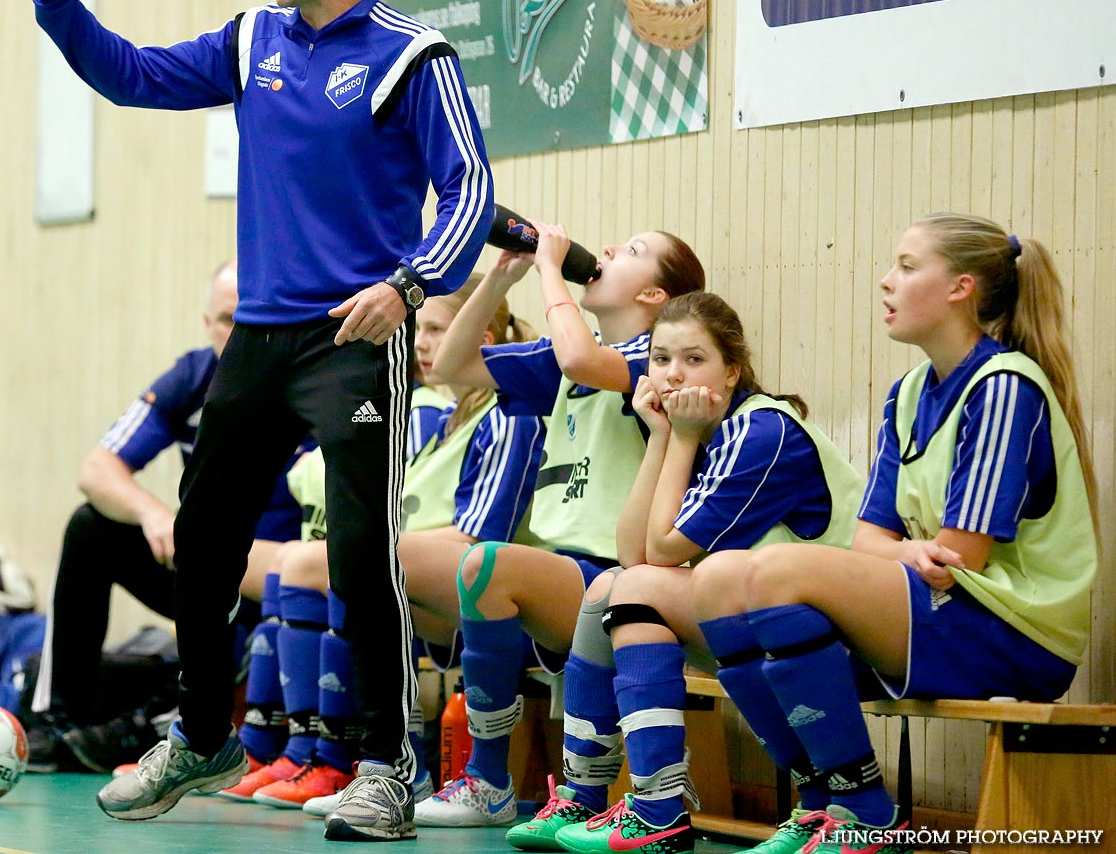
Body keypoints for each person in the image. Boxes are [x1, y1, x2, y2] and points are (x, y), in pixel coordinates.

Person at [19, 0, 493, 835]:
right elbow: (134, 74)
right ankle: (201, 733)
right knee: (200, 537)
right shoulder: (250, 41)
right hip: (260, 342)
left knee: (362, 552)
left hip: (355, 340)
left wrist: (405, 288)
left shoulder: (415, 56)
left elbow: (472, 192)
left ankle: (383, 766)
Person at [689, 214, 1098, 854]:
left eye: (907, 267)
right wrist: (906, 550)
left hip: (1018, 630)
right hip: (946, 606)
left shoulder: (1004, 387)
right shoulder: (908, 392)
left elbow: (960, 558)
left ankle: (864, 809)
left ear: (960, 288)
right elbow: (869, 541)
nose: (887, 281)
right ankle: (822, 798)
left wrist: (903, 553)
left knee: (774, 573)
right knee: (714, 582)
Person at [530, 292, 860, 854]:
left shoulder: (757, 432)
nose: (673, 374)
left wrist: (677, 437)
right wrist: (662, 435)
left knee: (631, 587)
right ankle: (587, 794)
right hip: (760, 617)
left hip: (839, 631)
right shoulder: (707, 432)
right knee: (610, 584)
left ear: (732, 372)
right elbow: (632, 552)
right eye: (659, 359)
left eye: (693, 359)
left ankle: (657, 808)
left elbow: (657, 554)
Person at [413, 221, 705, 828]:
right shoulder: (570, 361)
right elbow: (450, 364)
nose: (605, 251)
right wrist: (500, 278)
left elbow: (579, 355)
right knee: (398, 564)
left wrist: (550, 268)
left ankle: (488, 778)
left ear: (654, 296)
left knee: (485, 563)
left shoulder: (654, 361)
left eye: (631, 251)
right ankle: (387, 763)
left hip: (626, 575)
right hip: (564, 572)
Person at [226, 276, 544, 811]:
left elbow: (482, 533)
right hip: (431, 567)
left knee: (339, 562)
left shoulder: (509, 414)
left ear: (480, 336)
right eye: (421, 330)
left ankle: (329, 758)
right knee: (249, 556)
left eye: (438, 330)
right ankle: (314, 753)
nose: (420, 343)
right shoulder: (444, 417)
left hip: (480, 576)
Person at [25, 261, 307, 773]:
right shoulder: (193, 376)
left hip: (279, 583)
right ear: (207, 324)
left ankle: (152, 727)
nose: (240, 331)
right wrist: (155, 515)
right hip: (204, 572)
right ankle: (58, 718)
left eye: (253, 316)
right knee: (91, 527)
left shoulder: (311, 384)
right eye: (228, 318)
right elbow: (97, 468)